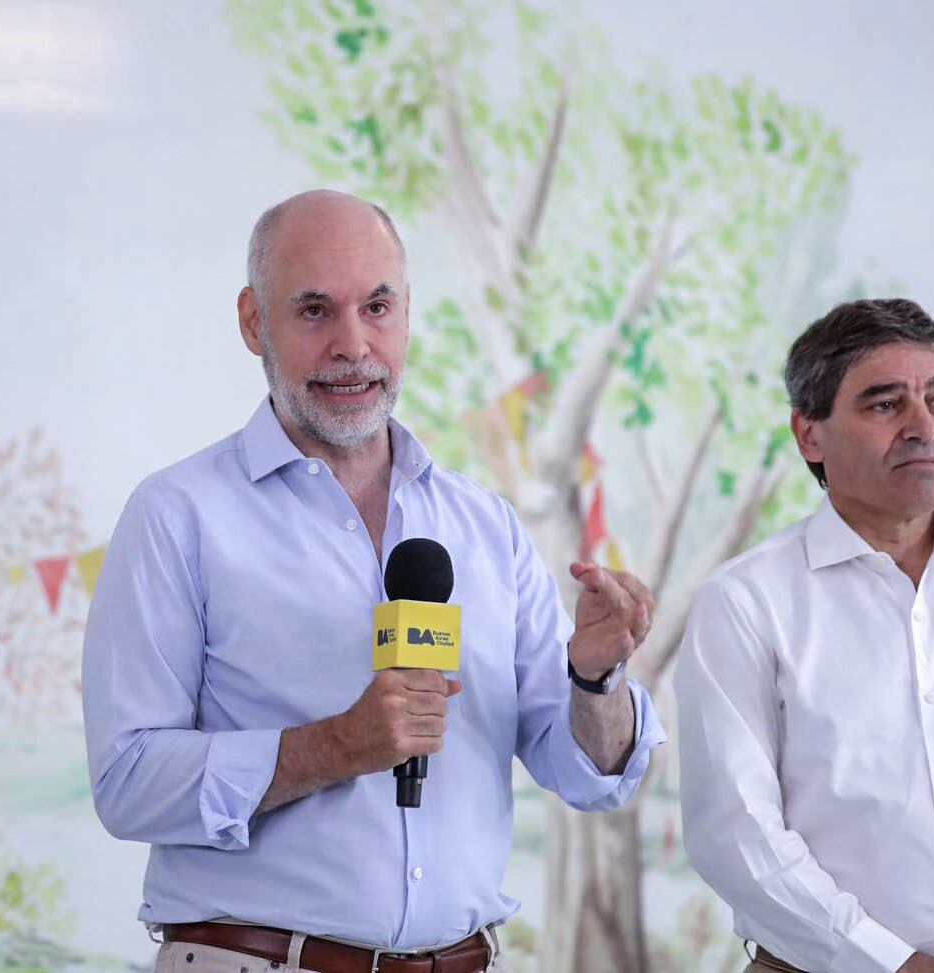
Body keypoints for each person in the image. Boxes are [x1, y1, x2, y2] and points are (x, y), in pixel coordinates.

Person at [82, 189, 666, 973]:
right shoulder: (177, 515)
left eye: (378, 306)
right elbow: (128, 784)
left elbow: (589, 775)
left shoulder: (486, 524)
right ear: (255, 321)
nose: (353, 344)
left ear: (407, 314)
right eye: (315, 310)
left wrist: (596, 677)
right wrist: (333, 747)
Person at [675, 299, 934, 973]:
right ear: (810, 435)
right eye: (885, 405)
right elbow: (737, 835)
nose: (924, 426)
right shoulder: (745, 601)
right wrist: (889, 961)